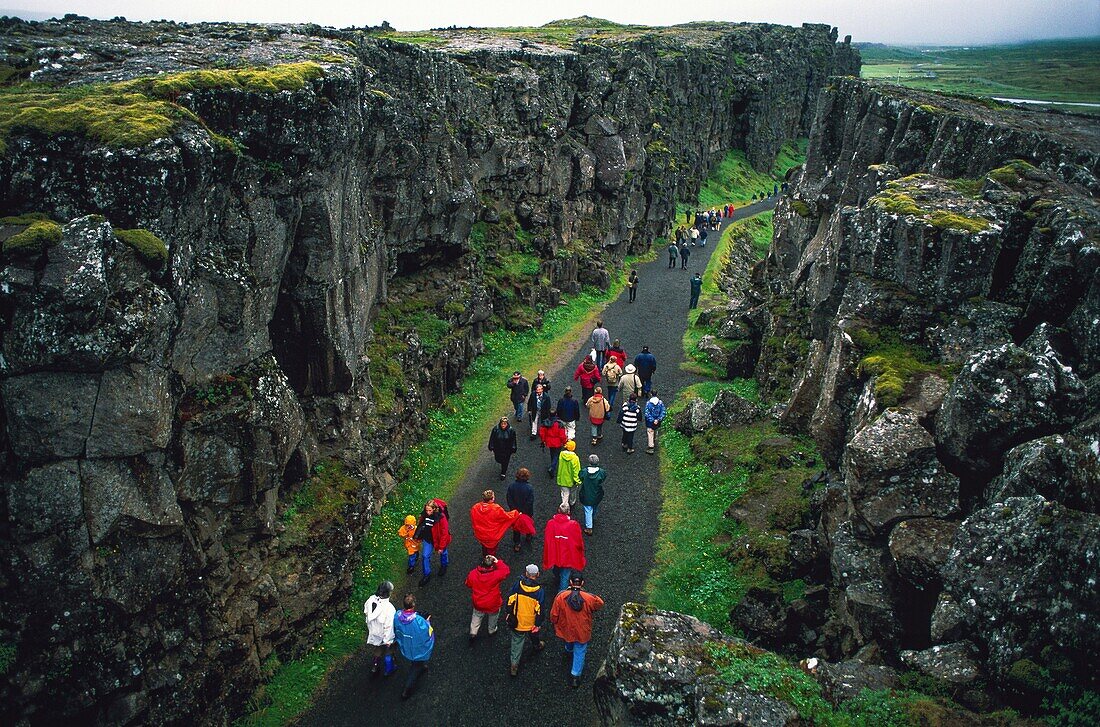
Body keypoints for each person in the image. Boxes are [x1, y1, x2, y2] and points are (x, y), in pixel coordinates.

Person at [550, 572, 605, 687]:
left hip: (567, 627)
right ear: (582, 583)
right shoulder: (589, 598)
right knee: (580, 649)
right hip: (582, 629)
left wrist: (555, 623)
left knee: (568, 639)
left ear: (570, 582)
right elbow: (599, 603)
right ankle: (575, 675)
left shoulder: (561, 596)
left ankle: (568, 650)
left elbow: (554, 614)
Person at [506, 564, 546, 676]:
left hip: (517, 621)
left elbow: (510, 599)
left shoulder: (518, 585)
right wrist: (537, 623)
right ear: (537, 575)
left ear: (526, 574)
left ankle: (514, 664)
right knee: (534, 634)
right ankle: (537, 645)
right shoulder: (539, 591)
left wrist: (509, 613)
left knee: (517, 642)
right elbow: (540, 609)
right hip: (531, 622)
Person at [470, 490, 535, 557]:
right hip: (492, 535)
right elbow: (506, 517)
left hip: (480, 534)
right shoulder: (496, 508)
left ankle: (485, 557)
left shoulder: (475, 507)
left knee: (484, 546)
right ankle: (490, 563)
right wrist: (516, 513)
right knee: (491, 550)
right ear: (492, 498)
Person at [393, 593, 434, 700]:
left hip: (406, 644)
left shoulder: (397, 615)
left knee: (414, 660)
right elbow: (426, 631)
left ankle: (420, 666)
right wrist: (428, 621)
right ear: (413, 605)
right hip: (417, 647)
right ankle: (407, 689)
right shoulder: (418, 620)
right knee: (415, 667)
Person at [465, 554, 511, 645]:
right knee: (493, 616)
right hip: (492, 602)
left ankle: (473, 632)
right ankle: (492, 630)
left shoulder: (473, 574)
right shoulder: (495, 575)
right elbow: (506, 571)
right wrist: (497, 561)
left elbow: (468, 584)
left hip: (478, 601)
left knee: (477, 615)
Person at [543, 504, 586, 592]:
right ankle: (561, 597)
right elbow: (578, 540)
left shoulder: (551, 523)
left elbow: (548, 538)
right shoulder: (573, 524)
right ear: (568, 512)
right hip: (568, 554)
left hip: (555, 552)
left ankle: (556, 576)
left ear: (558, 510)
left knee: (556, 567)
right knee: (565, 576)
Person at [414, 499, 451, 586]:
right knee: (425, 556)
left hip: (439, 539)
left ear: (434, 509)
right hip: (428, 539)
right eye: (426, 510)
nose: (428, 512)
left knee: (443, 553)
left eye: (430, 510)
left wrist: (441, 547)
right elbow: (421, 525)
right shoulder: (424, 515)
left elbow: (444, 532)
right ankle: (427, 574)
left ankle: (444, 565)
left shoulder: (441, 517)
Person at [365, 580, 397, 678]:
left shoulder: (370, 600)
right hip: (384, 633)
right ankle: (389, 669)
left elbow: (366, 613)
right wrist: (389, 640)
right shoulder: (389, 608)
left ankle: (375, 667)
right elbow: (389, 626)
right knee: (389, 650)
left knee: (378, 648)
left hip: (374, 631)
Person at [506, 468, 535, 552]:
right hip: (527, 511)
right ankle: (528, 535)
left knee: (516, 527)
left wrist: (513, 508)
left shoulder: (512, 486)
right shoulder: (529, 487)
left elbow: (509, 498)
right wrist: (523, 510)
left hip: (515, 511)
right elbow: (530, 501)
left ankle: (517, 543)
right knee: (527, 523)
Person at [578, 455, 606, 536]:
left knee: (587, 510)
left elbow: (580, 477)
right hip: (597, 494)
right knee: (594, 506)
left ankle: (589, 527)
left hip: (586, 494)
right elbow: (603, 479)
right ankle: (592, 518)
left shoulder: (584, 472)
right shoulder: (601, 472)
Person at [540, 410, 568, 476]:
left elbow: (542, 433)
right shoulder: (559, 424)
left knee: (552, 453)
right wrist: (564, 442)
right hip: (558, 442)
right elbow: (562, 435)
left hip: (549, 441)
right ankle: (552, 467)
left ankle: (552, 464)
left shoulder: (545, 422)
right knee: (556, 455)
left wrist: (543, 440)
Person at [556, 439, 581, 509]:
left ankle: (564, 506)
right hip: (572, 480)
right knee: (573, 492)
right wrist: (577, 480)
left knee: (565, 493)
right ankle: (572, 502)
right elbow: (576, 470)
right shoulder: (575, 458)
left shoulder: (561, 454)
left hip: (562, 478)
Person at [644, 388, 667, 455]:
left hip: (650, 422)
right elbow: (663, 412)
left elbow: (647, 413)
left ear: (651, 394)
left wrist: (652, 420)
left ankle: (651, 447)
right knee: (656, 430)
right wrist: (658, 419)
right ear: (657, 394)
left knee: (650, 432)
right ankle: (655, 440)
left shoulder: (648, 403)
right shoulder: (660, 403)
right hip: (658, 421)